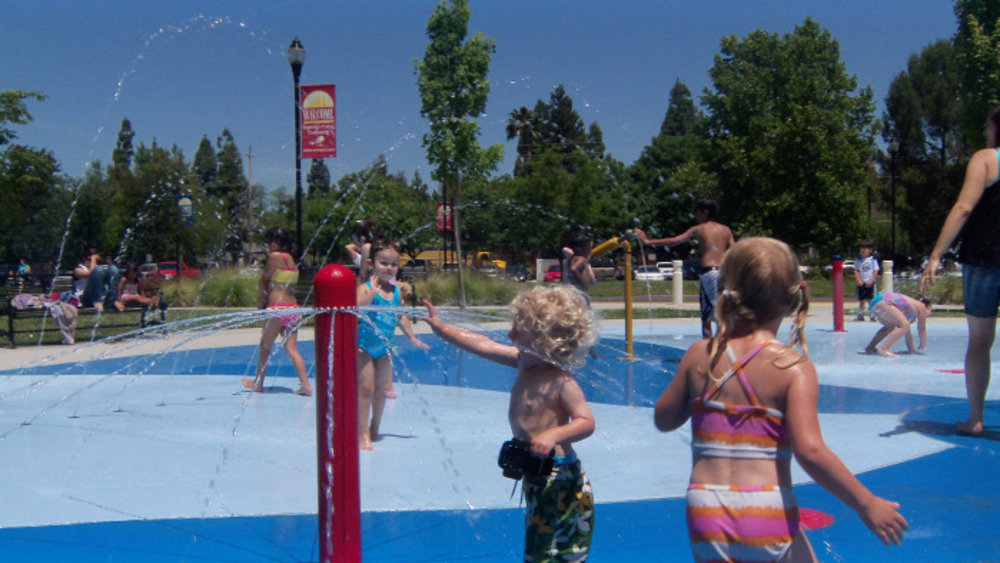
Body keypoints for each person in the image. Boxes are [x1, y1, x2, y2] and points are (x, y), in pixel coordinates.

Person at [654, 237, 908, 562]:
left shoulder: (698, 355)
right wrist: (865, 502)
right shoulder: (792, 368)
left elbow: (664, 419)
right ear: (794, 299)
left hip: (706, 510)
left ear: (725, 292)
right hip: (765, 508)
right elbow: (811, 451)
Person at [423, 285, 598, 561]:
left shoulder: (561, 381)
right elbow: (482, 344)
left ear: (545, 340)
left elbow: (586, 422)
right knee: (541, 538)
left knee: (557, 545)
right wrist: (441, 329)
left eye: (518, 330)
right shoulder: (522, 363)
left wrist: (553, 435)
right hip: (536, 471)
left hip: (559, 475)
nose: (510, 335)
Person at [921, 104, 1000, 437]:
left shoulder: (985, 158)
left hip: (984, 256)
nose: (984, 130)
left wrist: (937, 254)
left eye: (987, 124)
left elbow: (964, 207)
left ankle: (975, 418)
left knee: (980, 341)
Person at [357, 239, 429, 450]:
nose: (388, 268)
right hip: (363, 347)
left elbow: (400, 316)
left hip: (384, 348)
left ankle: (375, 426)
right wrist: (368, 298)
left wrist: (412, 337)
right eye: (383, 263)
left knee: (381, 391)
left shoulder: (396, 292)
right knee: (365, 389)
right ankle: (362, 433)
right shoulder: (366, 288)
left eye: (393, 264)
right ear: (372, 264)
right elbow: (353, 310)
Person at [634, 198, 735, 338]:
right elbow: (734, 250)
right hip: (724, 274)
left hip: (709, 274)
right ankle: (719, 347)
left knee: (709, 316)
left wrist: (648, 241)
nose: (695, 216)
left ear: (705, 212)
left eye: (697, 212)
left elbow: (675, 241)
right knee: (720, 312)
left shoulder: (700, 229)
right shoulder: (726, 230)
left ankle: (712, 350)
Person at [241, 227, 312, 397]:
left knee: (265, 345)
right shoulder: (291, 260)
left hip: (277, 308)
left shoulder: (274, 257)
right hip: (293, 309)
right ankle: (306, 385)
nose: (267, 247)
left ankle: (258, 383)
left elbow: (264, 281)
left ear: (274, 243)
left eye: (267, 244)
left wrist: (261, 303)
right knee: (292, 349)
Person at [863, 293, 931, 358]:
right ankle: (884, 348)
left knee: (890, 327)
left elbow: (907, 332)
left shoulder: (910, 310)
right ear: (928, 307)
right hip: (884, 301)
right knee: (905, 325)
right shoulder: (922, 306)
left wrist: (912, 350)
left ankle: (870, 347)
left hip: (876, 302)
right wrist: (923, 344)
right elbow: (922, 329)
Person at [345, 218, 383, 284]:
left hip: (373, 288)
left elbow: (363, 275)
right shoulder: (383, 246)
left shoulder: (366, 248)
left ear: (362, 238)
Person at [854, 240, 880, 321]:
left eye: (865, 248)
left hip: (870, 283)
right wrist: (858, 280)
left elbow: (876, 271)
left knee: (870, 299)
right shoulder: (858, 260)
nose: (863, 250)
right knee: (861, 300)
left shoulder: (873, 260)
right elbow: (856, 270)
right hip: (861, 283)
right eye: (862, 248)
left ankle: (872, 314)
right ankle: (861, 314)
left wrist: (872, 280)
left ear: (870, 250)